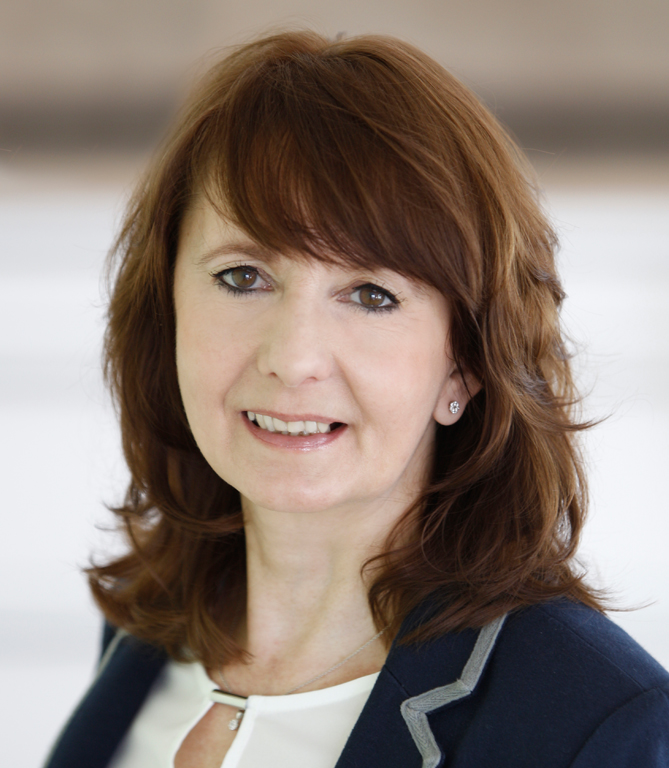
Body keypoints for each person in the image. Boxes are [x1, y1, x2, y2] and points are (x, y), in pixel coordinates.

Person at [44, 30, 669, 768]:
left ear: (464, 365)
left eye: (371, 295)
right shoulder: (146, 634)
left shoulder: (596, 724)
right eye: (243, 277)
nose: (292, 358)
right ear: (167, 308)